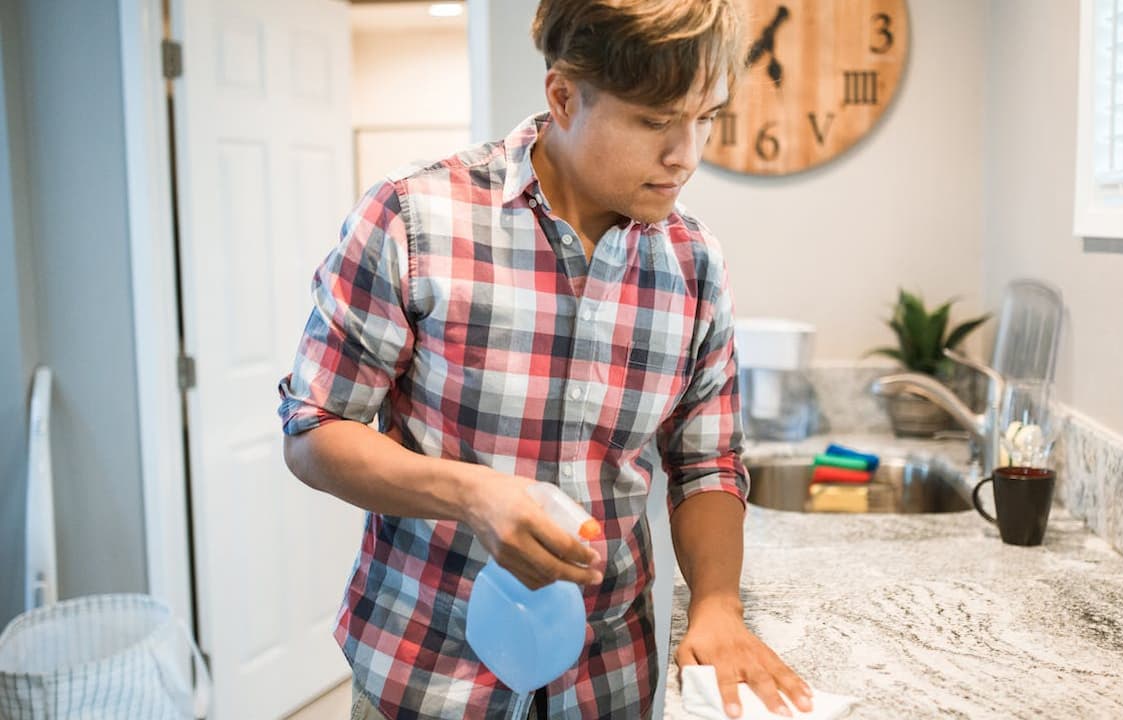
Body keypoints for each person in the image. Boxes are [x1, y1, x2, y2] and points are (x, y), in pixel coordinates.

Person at [277, 0, 812, 717]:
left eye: (705, 118)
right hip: (426, 672)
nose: (687, 153)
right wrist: (469, 494)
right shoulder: (413, 217)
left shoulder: (695, 264)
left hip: (605, 681)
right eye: (655, 121)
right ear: (563, 96)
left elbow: (706, 463)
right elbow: (312, 434)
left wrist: (716, 602)